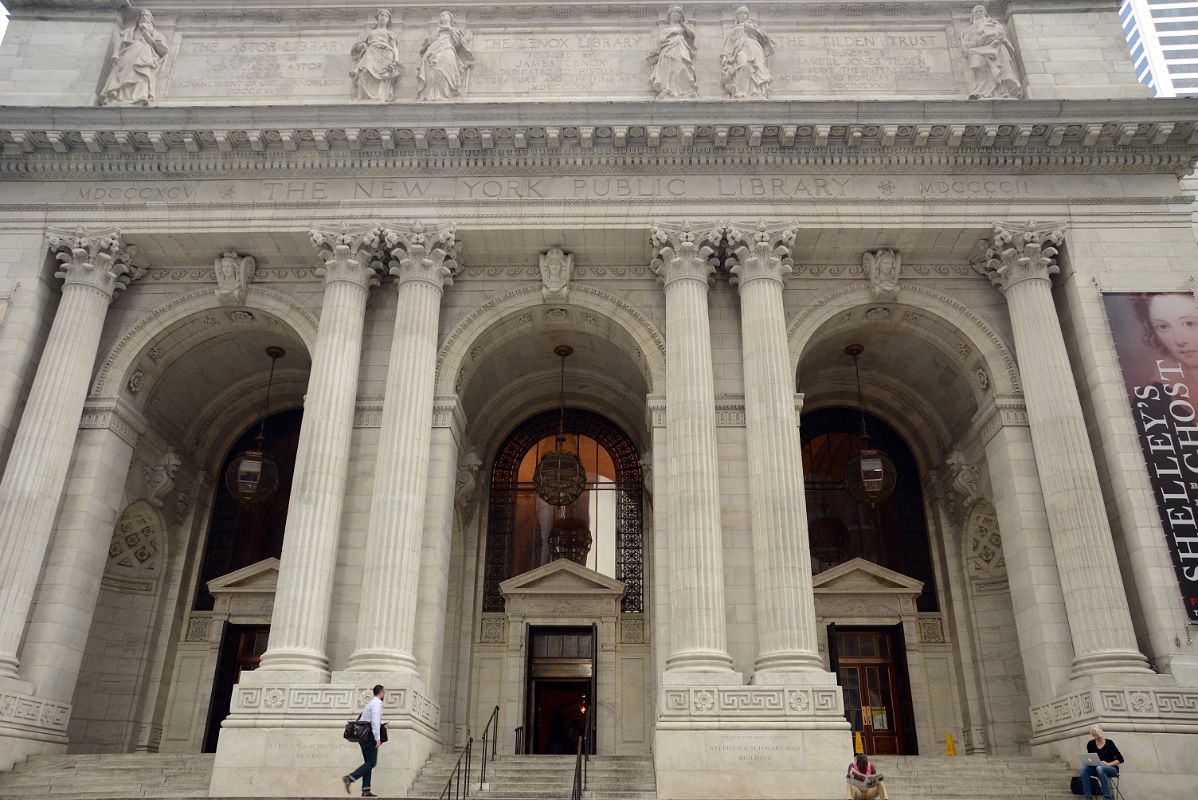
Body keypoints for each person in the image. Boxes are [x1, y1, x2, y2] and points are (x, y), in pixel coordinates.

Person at [100, 9, 170, 106]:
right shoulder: (129, 31)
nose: (144, 18)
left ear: (151, 20)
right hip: (128, 56)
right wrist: (116, 54)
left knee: (142, 74)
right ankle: (121, 97)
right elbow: (120, 44)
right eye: (142, 16)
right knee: (126, 75)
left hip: (145, 56)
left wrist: (147, 35)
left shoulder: (156, 34)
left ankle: (140, 96)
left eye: (147, 16)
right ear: (138, 18)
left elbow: (163, 50)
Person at [961, 5, 1021, 99]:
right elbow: (966, 45)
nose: (978, 13)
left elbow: (1000, 33)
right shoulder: (968, 30)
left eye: (981, 11)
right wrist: (976, 42)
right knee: (976, 63)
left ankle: (1002, 90)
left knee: (999, 59)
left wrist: (987, 35)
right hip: (977, 50)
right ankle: (982, 91)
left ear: (985, 13)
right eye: (976, 12)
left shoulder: (992, 22)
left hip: (995, 47)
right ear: (972, 16)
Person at [416, 11, 474, 100]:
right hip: (434, 49)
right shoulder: (437, 31)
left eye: (445, 15)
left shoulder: (454, 30)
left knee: (444, 66)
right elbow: (429, 42)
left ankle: (445, 94)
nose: (443, 16)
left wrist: (450, 30)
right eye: (442, 15)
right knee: (432, 69)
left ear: (450, 19)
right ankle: (431, 94)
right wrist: (438, 31)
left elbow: (458, 43)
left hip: (447, 48)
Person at [720, 6, 775, 98]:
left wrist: (753, 30)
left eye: (745, 13)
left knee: (758, 68)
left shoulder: (754, 27)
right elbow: (728, 45)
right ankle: (742, 92)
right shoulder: (733, 30)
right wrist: (725, 57)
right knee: (744, 65)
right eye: (740, 13)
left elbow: (764, 40)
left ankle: (757, 91)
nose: (743, 15)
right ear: (737, 17)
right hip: (742, 50)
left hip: (755, 49)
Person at [350, 9, 404, 102]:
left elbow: (394, 47)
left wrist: (396, 59)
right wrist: (361, 45)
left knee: (383, 75)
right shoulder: (370, 32)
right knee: (365, 71)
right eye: (381, 15)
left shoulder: (390, 33)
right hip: (372, 51)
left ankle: (381, 94)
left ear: (388, 20)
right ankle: (366, 95)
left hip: (386, 52)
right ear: (377, 17)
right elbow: (358, 47)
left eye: (386, 16)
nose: (383, 17)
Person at [343, 685, 385, 798]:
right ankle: (350, 778)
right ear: (380, 692)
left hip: (363, 736)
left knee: (368, 762)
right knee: (372, 762)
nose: (384, 694)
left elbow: (365, 719)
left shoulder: (371, 703)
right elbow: (375, 721)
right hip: (370, 736)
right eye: (384, 692)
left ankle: (366, 790)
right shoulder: (377, 703)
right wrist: (378, 738)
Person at [648, 6, 698, 99]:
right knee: (669, 70)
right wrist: (673, 33)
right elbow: (661, 40)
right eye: (674, 12)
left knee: (682, 67)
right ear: (670, 15)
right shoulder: (665, 30)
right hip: (668, 51)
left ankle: (685, 91)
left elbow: (692, 36)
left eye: (678, 12)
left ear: (681, 16)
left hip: (681, 49)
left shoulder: (683, 28)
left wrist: (684, 25)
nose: (676, 14)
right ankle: (667, 91)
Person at [1079, 725, 1123, 800]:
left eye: (1096, 735)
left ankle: (1107, 797)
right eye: (1093, 735)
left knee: (1100, 768)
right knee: (1084, 769)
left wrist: (1108, 764)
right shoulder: (1090, 744)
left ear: (1100, 733)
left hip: (1112, 769)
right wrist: (1089, 762)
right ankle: (1088, 797)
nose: (1095, 737)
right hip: (1097, 768)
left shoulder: (1109, 743)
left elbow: (1120, 759)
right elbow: (1091, 758)